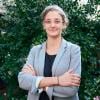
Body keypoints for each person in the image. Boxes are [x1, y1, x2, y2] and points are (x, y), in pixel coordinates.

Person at [18, 5, 81, 100]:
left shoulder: (73, 50)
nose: (52, 25)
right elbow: (23, 81)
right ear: (44, 25)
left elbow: (71, 89)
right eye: (48, 21)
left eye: (57, 21)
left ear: (64, 24)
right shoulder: (35, 50)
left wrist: (38, 83)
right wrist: (58, 80)